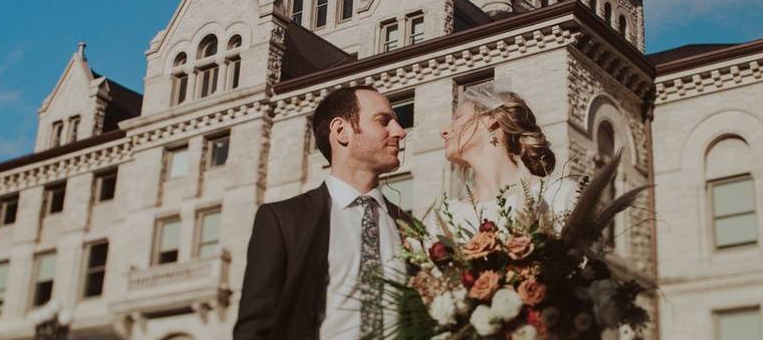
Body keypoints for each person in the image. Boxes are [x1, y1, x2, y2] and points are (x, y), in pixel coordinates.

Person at [234, 85, 408, 340]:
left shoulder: (410, 227)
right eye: (384, 121)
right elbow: (255, 328)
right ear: (341, 131)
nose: (400, 132)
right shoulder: (283, 220)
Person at [438, 84, 579, 233]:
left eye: (458, 117)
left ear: (490, 119)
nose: (443, 131)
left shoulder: (559, 195)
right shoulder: (444, 219)